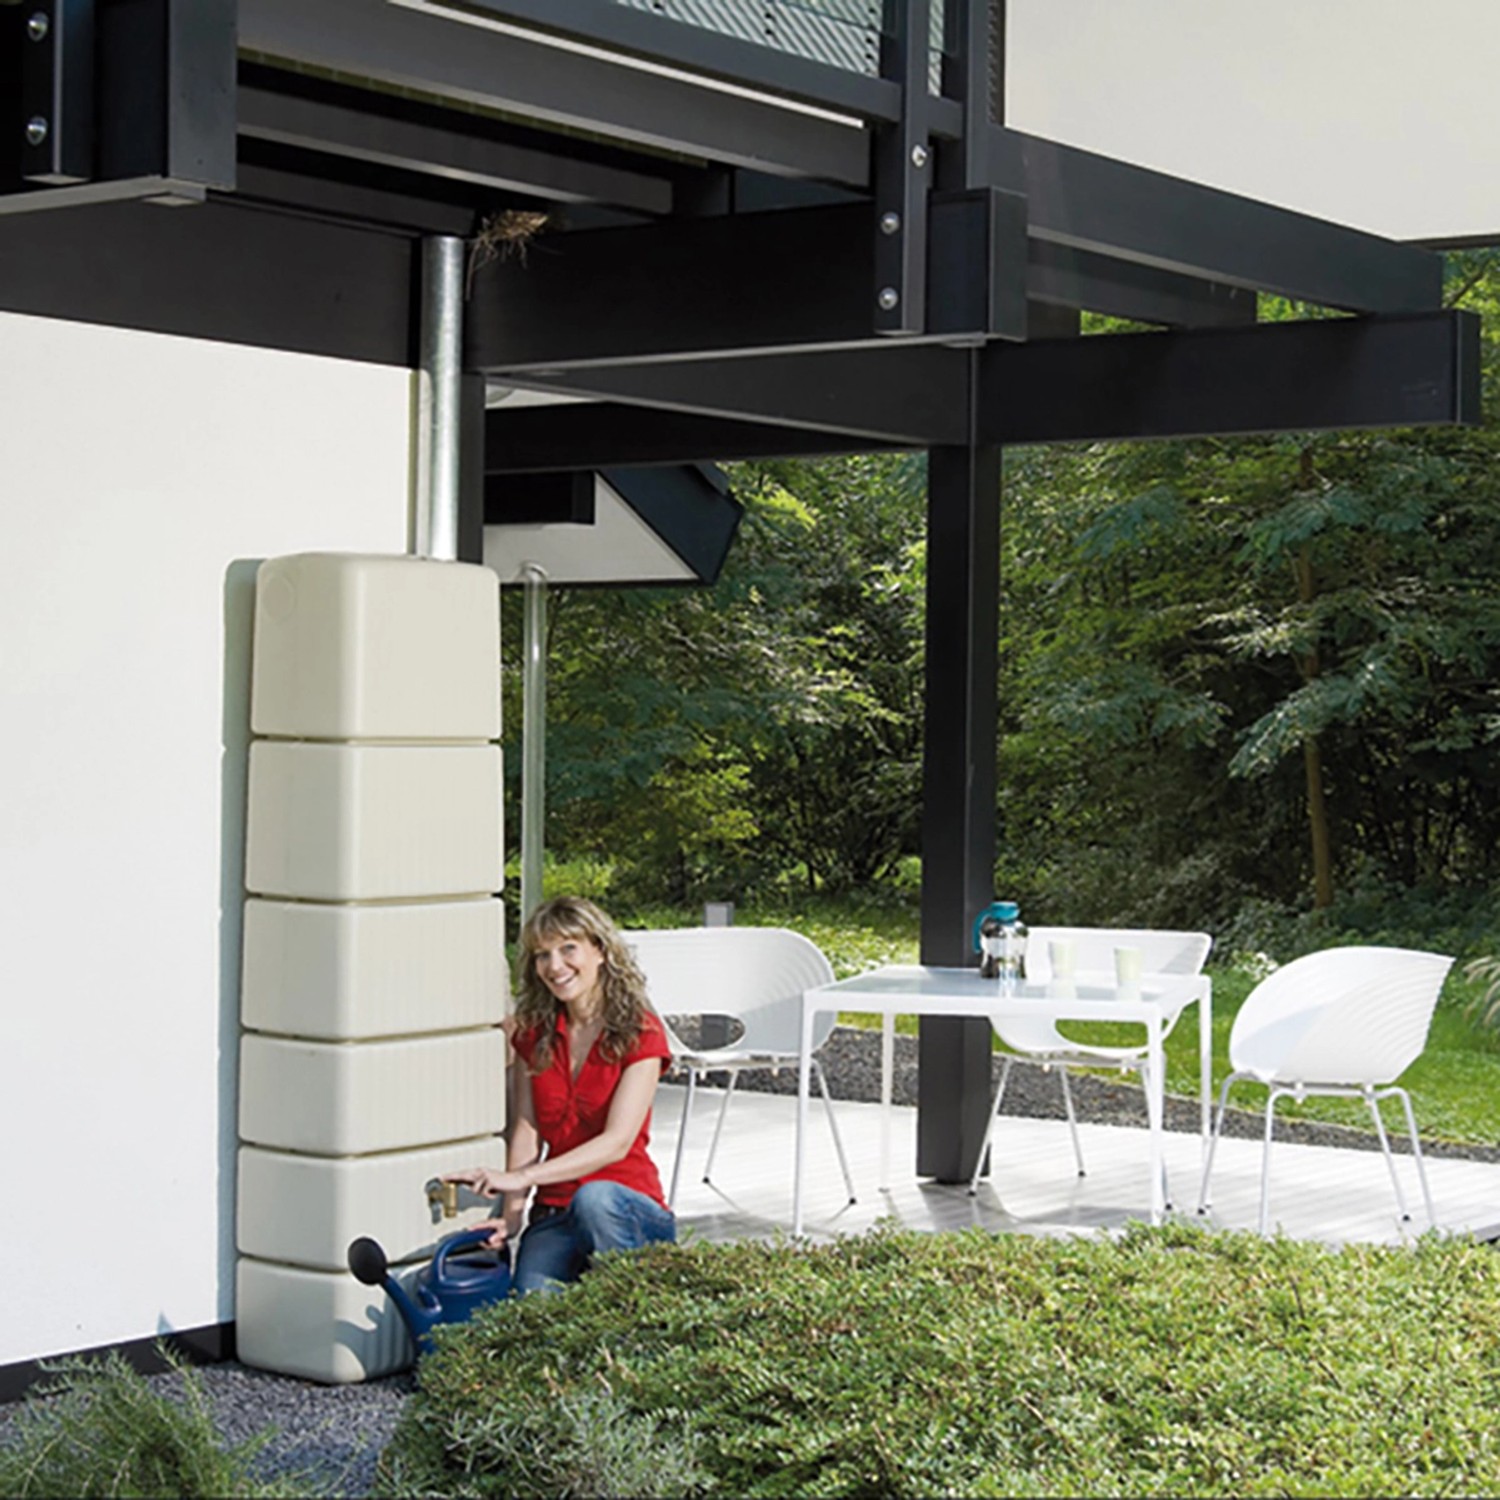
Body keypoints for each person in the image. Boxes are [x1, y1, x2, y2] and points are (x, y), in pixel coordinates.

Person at [444, 896, 676, 1294]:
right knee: (534, 1307)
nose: (554, 966)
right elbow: (526, 1133)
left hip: (625, 1208)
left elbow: (616, 1143)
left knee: (595, 1198)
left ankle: (639, 1308)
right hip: (555, 1213)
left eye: (568, 949)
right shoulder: (533, 1036)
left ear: (600, 951)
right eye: (542, 955)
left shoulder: (640, 1032)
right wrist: (513, 1216)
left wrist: (518, 1178)